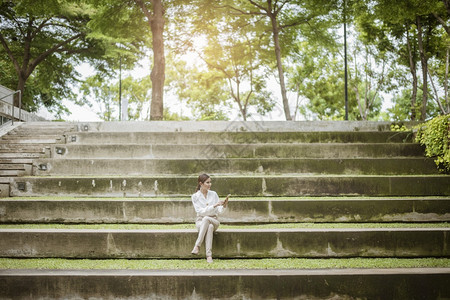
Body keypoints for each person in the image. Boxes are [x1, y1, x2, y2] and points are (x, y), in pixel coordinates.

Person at [191, 173, 230, 263]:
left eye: (210, 182)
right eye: (207, 182)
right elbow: (200, 212)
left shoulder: (213, 194)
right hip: (201, 221)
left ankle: (197, 245)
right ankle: (209, 256)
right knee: (209, 226)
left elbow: (219, 211)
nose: (210, 184)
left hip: (214, 220)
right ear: (201, 184)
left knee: (208, 221)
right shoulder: (195, 197)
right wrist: (214, 205)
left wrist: (224, 205)